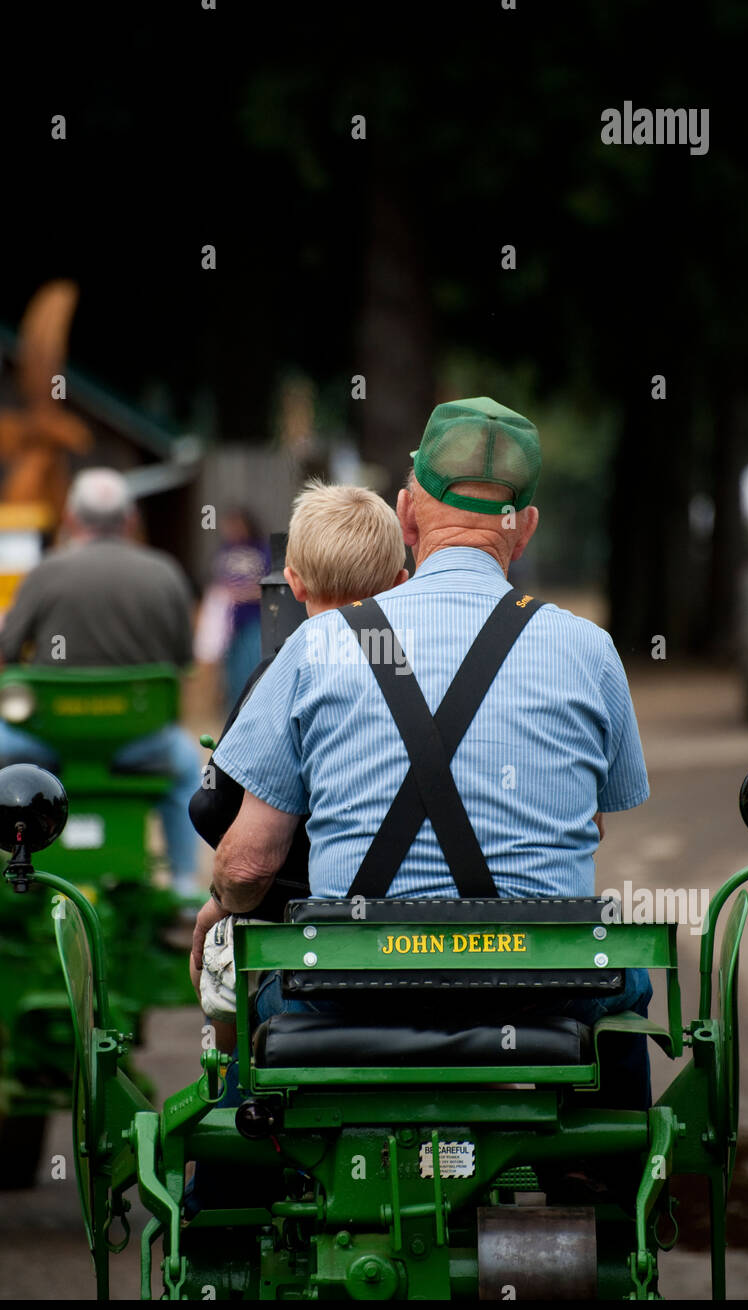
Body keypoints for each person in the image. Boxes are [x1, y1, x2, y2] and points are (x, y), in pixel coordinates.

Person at [207, 397, 652, 1109]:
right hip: (545, 985)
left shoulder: (319, 644)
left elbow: (250, 863)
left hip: (349, 986)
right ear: (525, 529)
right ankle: (607, 1155)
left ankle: (240, 1166)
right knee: (626, 987)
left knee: (246, 1017)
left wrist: (220, 908)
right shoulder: (587, 650)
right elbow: (589, 824)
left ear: (407, 515)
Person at [0, 467, 203, 926]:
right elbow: (182, 664)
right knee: (187, 762)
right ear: (130, 520)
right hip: (138, 744)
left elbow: (0, 658)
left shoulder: (46, 572)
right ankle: (182, 887)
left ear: (71, 519)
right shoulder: (166, 574)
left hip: (45, 742)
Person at [189, 479, 409, 1049]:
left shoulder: (288, 667)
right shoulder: (441, 664)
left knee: (228, 991)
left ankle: (237, 1090)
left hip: (328, 954)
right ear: (400, 582)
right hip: (473, 951)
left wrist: (220, 904)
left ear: (292, 582)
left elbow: (226, 829)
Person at [195, 509, 270, 711]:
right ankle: (234, 709)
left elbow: (269, 586)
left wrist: (246, 592)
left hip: (253, 620)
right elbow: (216, 583)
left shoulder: (262, 551)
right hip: (228, 624)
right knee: (232, 671)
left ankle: (252, 707)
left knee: (251, 665)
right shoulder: (224, 552)